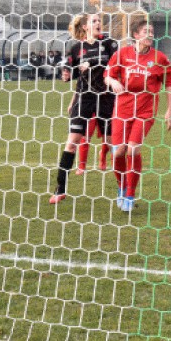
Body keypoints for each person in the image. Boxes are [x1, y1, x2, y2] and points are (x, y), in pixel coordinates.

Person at [105, 18, 171, 212]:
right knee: (119, 151)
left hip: (145, 111)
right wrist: (112, 82)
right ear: (136, 35)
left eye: (152, 31)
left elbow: (169, 83)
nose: (150, 34)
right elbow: (108, 74)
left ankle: (130, 194)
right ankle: (121, 187)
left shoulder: (159, 58)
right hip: (122, 109)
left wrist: (169, 111)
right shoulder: (122, 54)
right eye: (146, 31)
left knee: (132, 150)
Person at [50, 14, 118, 204]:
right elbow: (71, 70)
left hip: (106, 97)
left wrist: (92, 63)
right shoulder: (76, 48)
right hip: (84, 98)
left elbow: (114, 65)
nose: (98, 23)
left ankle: (124, 189)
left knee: (113, 144)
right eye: (94, 21)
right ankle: (60, 189)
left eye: (99, 21)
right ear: (86, 27)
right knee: (72, 142)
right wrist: (65, 74)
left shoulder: (110, 44)